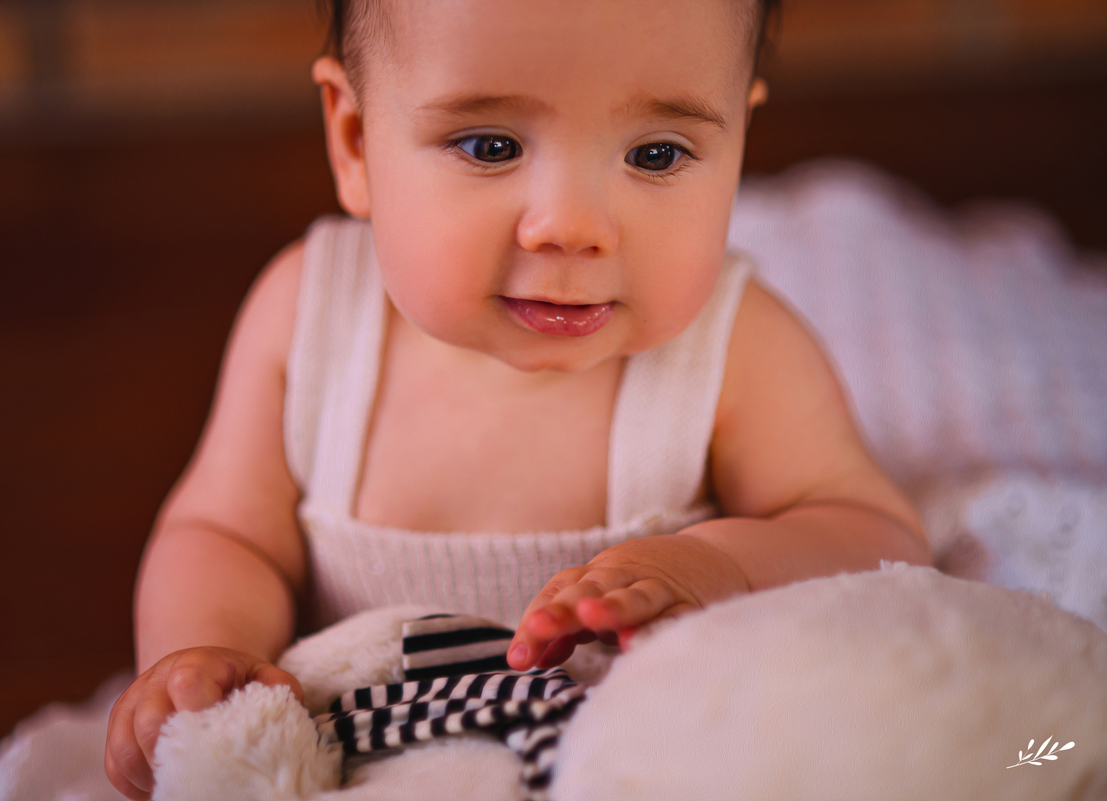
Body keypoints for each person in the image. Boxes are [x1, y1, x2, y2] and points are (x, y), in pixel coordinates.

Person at [105, 0, 931, 797]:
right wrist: (204, 652)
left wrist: (722, 563)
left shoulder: (734, 350)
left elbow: (873, 534)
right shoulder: (308, 320)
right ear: (356, 141)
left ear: (739, 142)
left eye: (656, 154)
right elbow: (223, 531)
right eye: (492, 144)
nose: (571, 225)